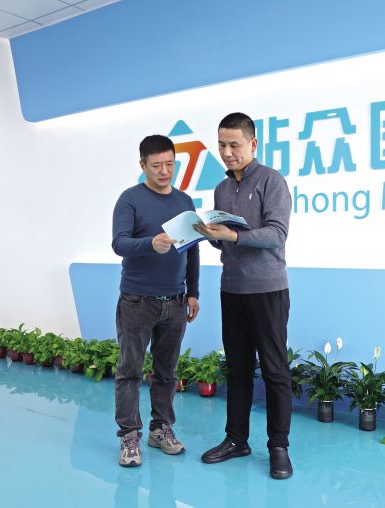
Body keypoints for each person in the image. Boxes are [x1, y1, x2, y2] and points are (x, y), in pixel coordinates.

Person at [194, 112, 293, 479]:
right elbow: (227, 243)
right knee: (237, 369)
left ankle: (279, 447)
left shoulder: (272, 181)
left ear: (253, 144)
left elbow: (277, 234)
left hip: (267, 289)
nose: (227, 152)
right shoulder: (222, 189)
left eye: (234, 145)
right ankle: (236, 439)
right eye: (221, 145)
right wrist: (208, 235)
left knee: (275, 370)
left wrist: (234, 235)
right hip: (232, 288)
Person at [111, 134, 200, 467]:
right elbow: (119, 243)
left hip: (175, 302)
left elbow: (192, 251)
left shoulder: (185, 201)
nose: (164, 172)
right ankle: (129, 436)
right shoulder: (130, 199)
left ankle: (161, 429)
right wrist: (150, 243)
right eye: (156, 165)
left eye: (170, 164)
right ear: (142, 165)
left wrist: (193, 292)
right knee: (130, 372)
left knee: (167, 372)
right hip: (137, 301)